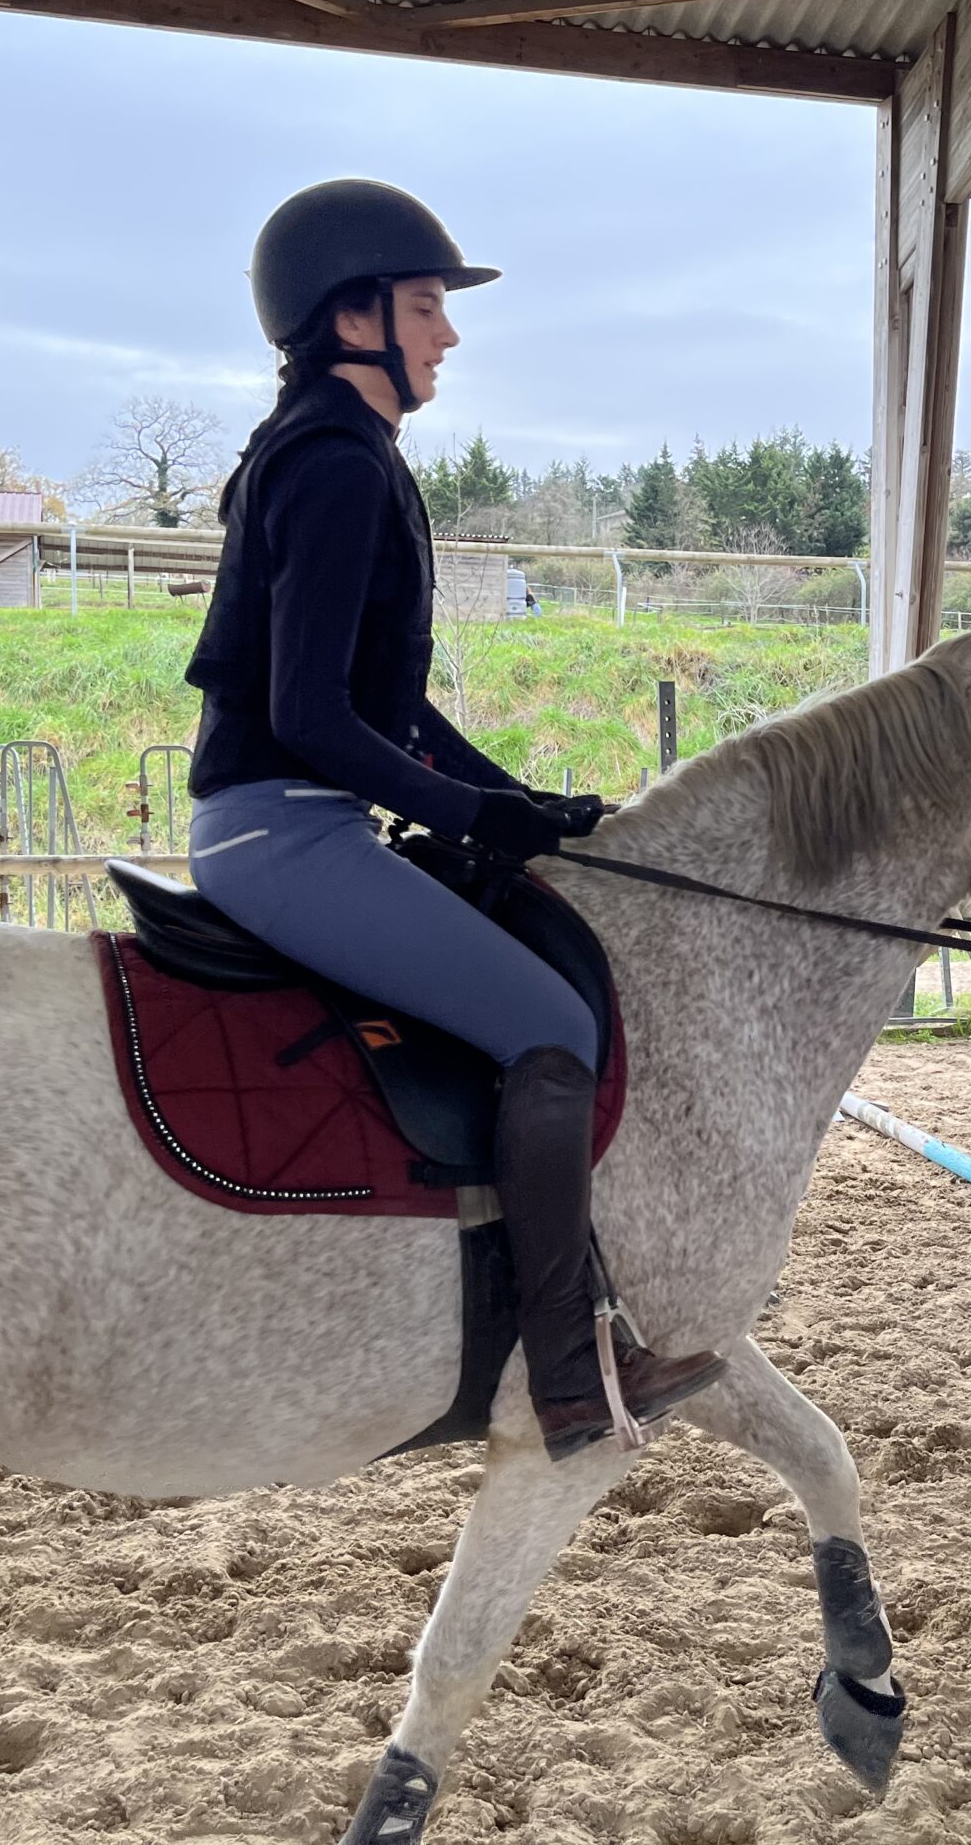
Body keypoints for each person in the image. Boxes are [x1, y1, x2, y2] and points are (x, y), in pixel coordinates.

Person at [183, 180, 724, 1460]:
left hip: (311, 817)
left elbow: (394, 707)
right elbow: (309, 714)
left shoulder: (350, 455)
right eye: (426, 305)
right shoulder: (328, 465)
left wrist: (516, 803)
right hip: (280, 826)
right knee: (549, 1020)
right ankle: (565, 1376)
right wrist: (466, 814)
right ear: (350, 317)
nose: (448, 334)